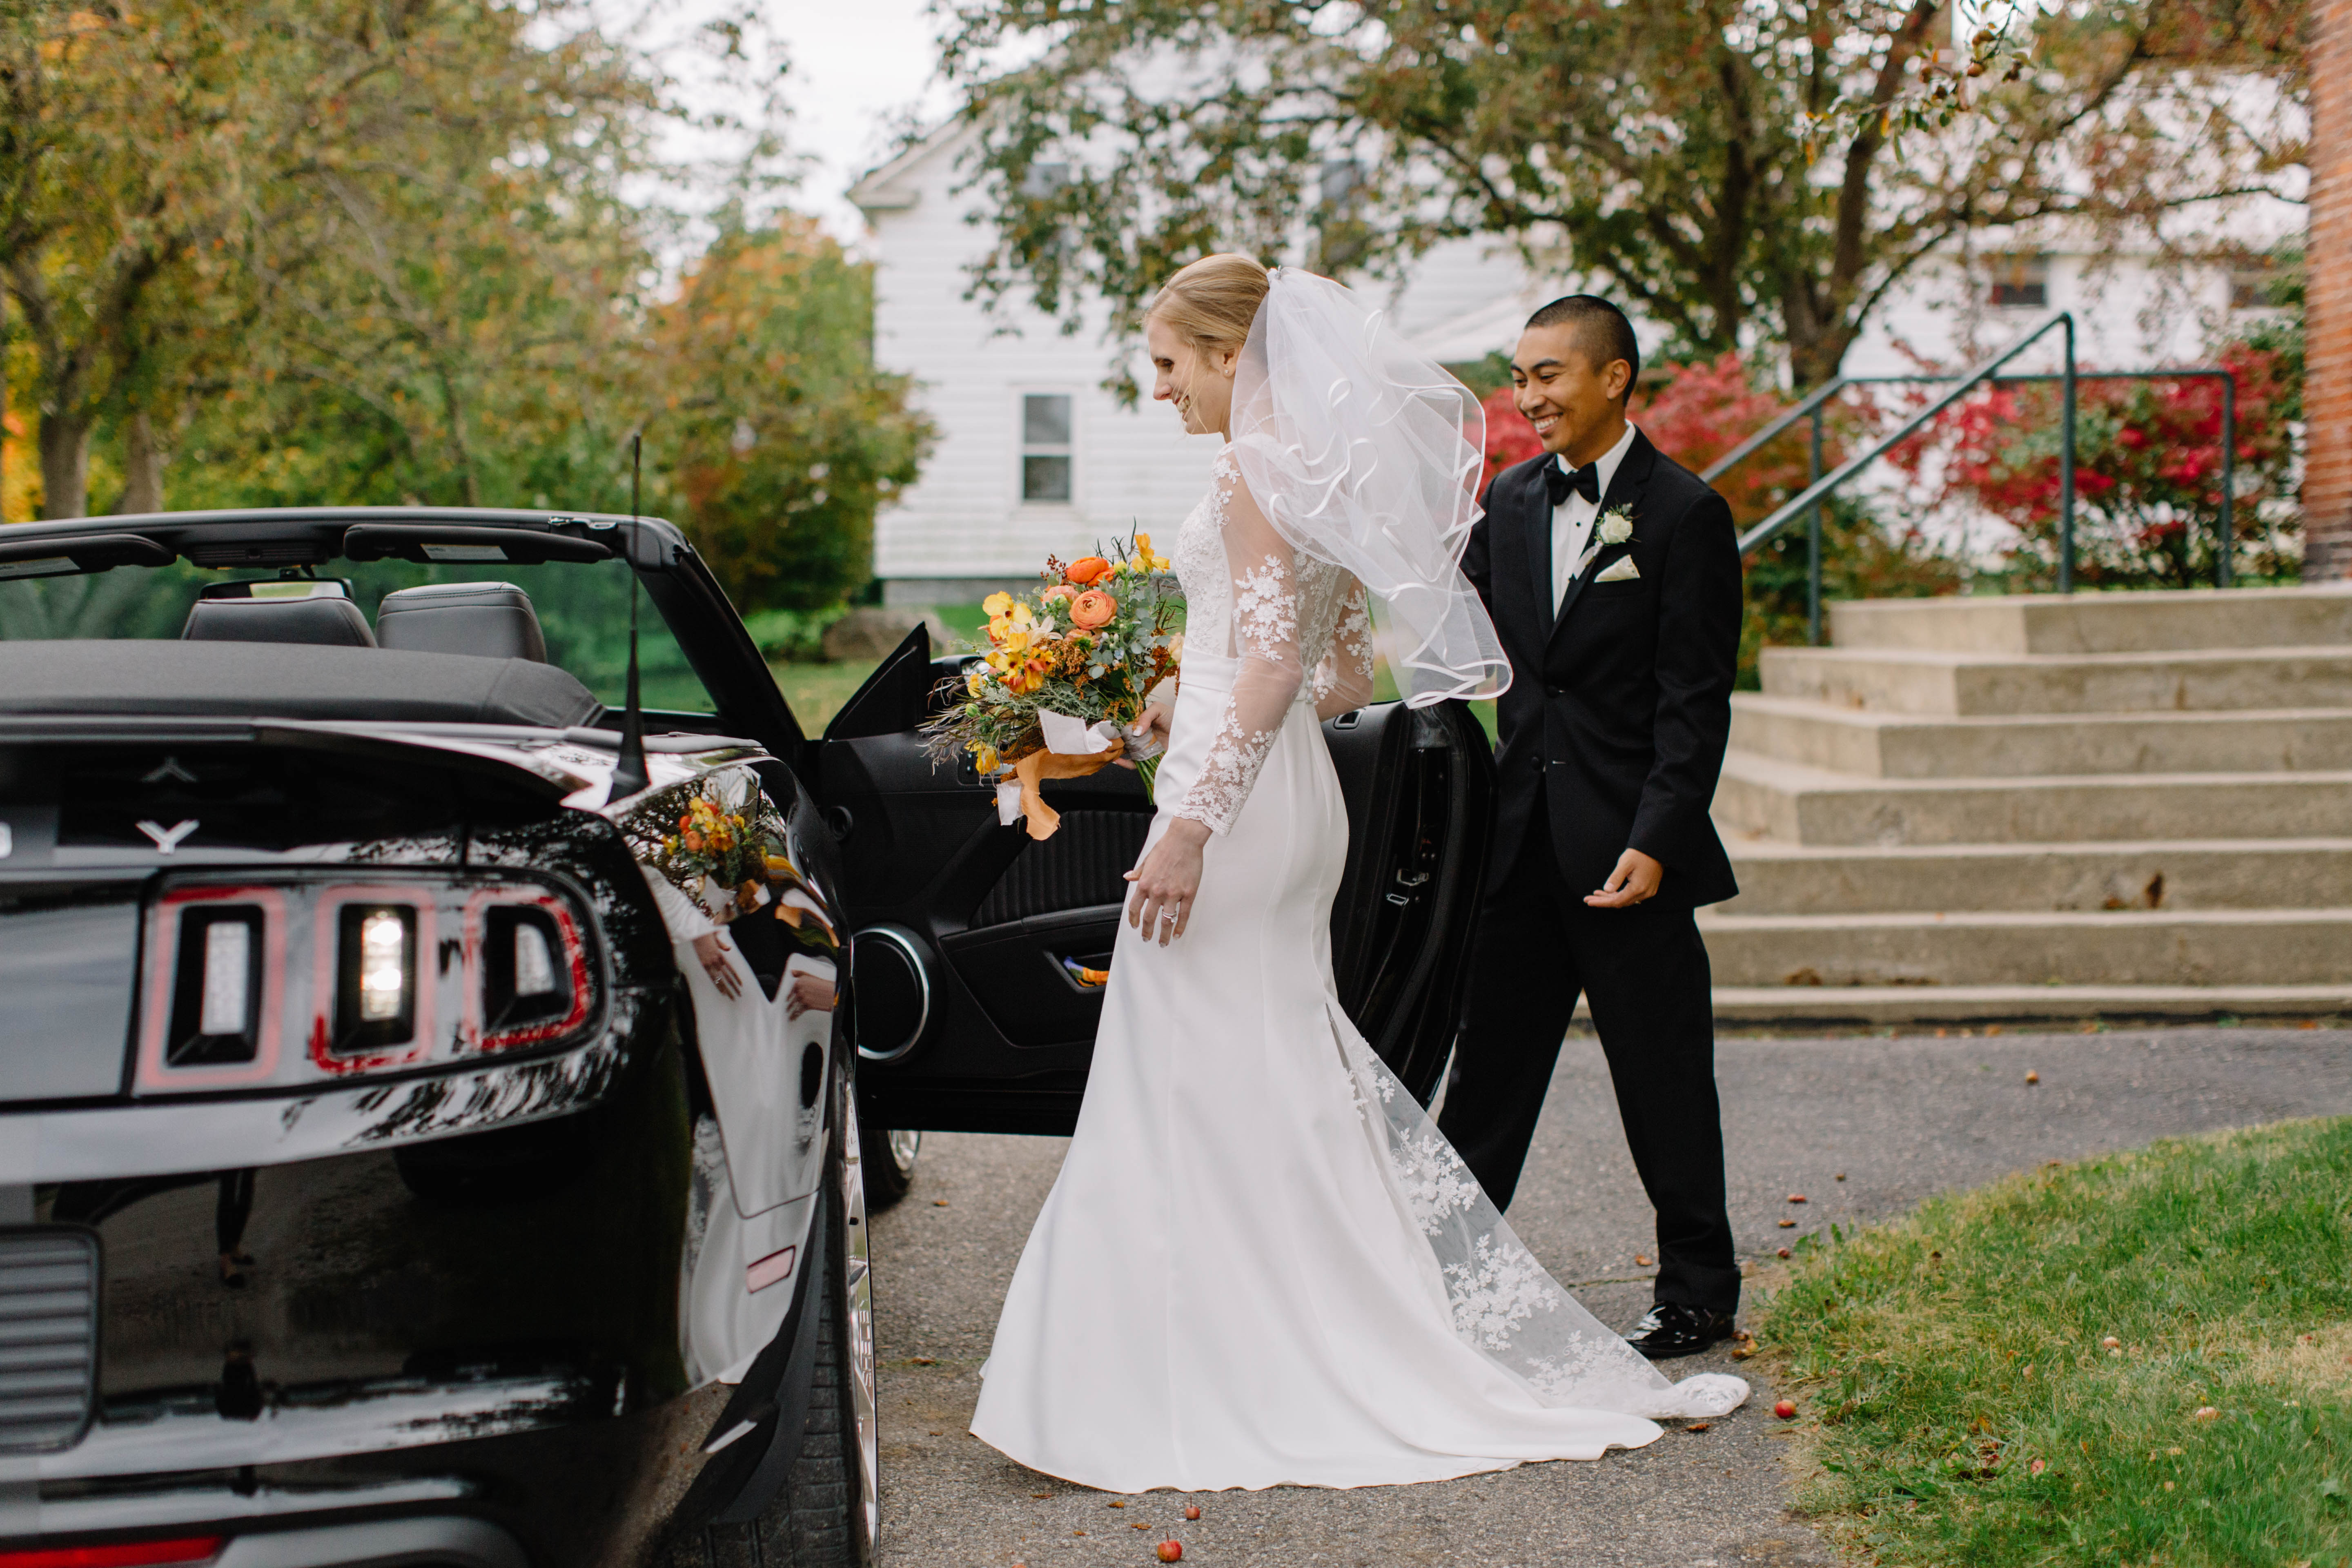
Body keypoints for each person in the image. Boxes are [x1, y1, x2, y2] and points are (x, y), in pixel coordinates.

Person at [970, 256, 1745, 1494]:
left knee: (1196, 1060)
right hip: (1292, 800)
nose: (1160, 387)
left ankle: (1225, 1353)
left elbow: (1279, 677)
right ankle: (1303, 1322)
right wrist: (1166, 701)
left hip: (1239, 810)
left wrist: (1187, 822)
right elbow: (1337, 682)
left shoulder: (1249, 475)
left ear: (1234, 354)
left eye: (1172, 362)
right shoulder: (1315, 483)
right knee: (1265, 1060)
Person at [1434, 295, 1746, 1361]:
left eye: (1549, 374)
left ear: (1615, 380)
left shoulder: (1686, 515)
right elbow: (1457, 657)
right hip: (1517, 848)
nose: (1528, 397)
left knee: (1663, 1077)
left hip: (1630, 853)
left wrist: (1658, 836)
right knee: (1488, 1082)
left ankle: (1700, 1290)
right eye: (1520, 377)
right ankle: (1446, 1284)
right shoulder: (1508, 505)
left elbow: (1694, 700)